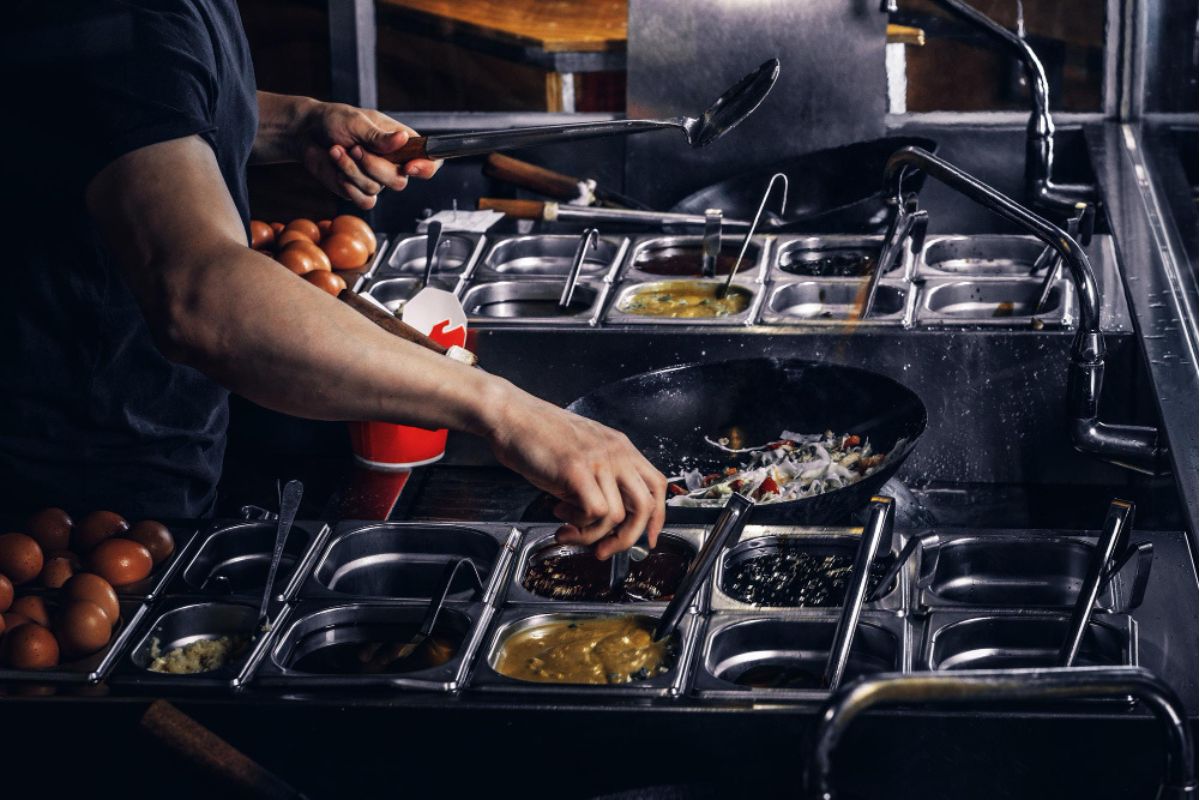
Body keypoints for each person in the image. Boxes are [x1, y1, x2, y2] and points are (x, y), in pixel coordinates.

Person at [0, 0, 665, 559]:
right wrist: (503, 410)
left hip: (147, 448)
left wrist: (298, 123)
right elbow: (198, 296)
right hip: (73, 505)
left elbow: (131, 108)